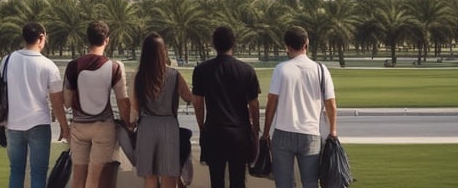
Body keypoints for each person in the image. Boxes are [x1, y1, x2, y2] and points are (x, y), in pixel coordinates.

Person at [262, 26, 338, 188]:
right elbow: (330, 104)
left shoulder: (281, 69)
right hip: (310, 134)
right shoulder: (321, 70)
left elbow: (272, 102)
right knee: (310, 182)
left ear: (287, 46)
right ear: (306, 43)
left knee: (284, 183)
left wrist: (266, 131)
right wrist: (332, 131)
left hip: (283, 132)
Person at [3, 21, 70, 188]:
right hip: (39, 123)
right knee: (39, 173)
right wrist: (64, 126)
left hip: (13, 124)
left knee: (16, 170)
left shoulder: (7, 60)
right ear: (41, 38)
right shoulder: (48, 65)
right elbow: (56, 101)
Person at [64, 21, 131, 188]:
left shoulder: (73, 66)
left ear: (88, 39)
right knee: (94, 180)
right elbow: (123, 102)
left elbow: (66, 102)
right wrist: (128, 123)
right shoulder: (115, 67)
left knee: (78, 178)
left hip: (79, 126)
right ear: (107, 40)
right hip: (103, 127)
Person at [192, 26, 261, 188]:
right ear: (234, 43)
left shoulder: (202, 70)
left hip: (214, 132)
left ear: (213, 44)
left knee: (216, 181)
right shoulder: (247, 70)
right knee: (238, 181)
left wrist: (202, 127)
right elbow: (254, 105)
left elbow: (197, 103)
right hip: (239, 133)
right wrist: (255, 131)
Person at [132, 32, 193, 188]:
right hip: (168, 125)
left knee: (149, 176)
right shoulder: (174, 75)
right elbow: (189, 97)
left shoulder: (139, 76)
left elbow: (136, 106)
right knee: (168, 175)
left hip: (146, 125)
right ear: (162, 51)